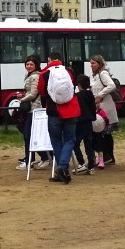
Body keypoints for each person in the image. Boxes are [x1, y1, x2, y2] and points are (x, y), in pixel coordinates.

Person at [38, 50, 81, 183]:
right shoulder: (69, 71)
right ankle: (63, 168)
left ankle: (61, 168)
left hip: (54, 110)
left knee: (56, 141)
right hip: (71, 110)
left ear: (49, 60)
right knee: (69, 140)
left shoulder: (44, 73)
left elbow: (42, 92)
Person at [16, 56, 50, 170]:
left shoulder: (35, 76)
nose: (29, 66)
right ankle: (37, 158)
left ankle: (31, 160)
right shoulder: (30, 76)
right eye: (27, 64)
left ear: (36, 65)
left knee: (28, 135)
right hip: (31, 109)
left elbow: (33, 94)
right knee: (29, 135)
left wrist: (22, 99)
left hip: (34, 109)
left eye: (31, 64)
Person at [89, 55, 120, 169]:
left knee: (104, 133)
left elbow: (111, 86)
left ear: (100, 64)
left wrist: (100, 95)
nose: (91, 65)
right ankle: (107, 156)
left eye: (94, 63)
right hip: (100, 107)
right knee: (103, 133)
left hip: (105, 107)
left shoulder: (103, 74)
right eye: (91, 63)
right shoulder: (96, 75)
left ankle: (108, 156)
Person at [72, 72, 98, 174]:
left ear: (79, 84)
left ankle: (81, 163)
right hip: (89, 122)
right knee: (88, 144)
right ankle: (91, 166)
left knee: (75, 143)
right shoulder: (90, 94)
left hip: (80, 122)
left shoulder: (77, 96)